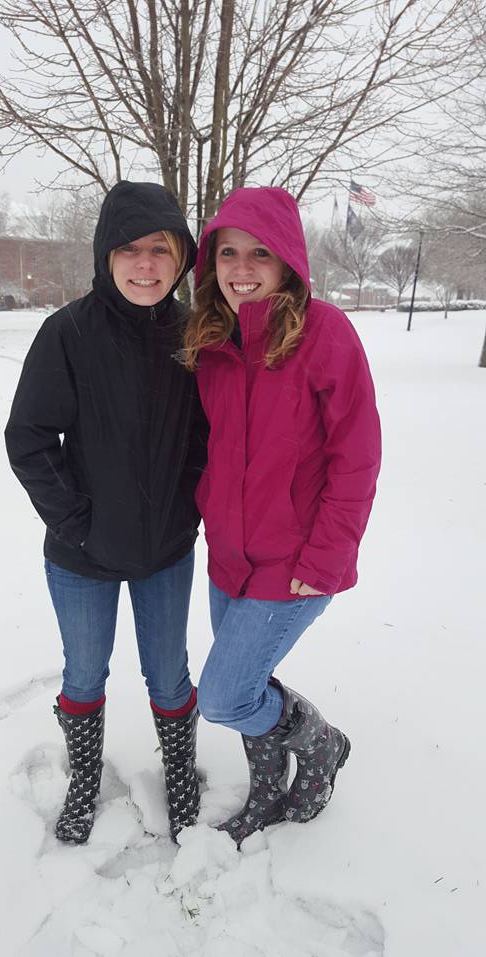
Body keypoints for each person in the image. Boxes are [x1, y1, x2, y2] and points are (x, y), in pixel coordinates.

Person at [5, 181, 207, 844]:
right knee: (85, 672)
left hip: (166, 551)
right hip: (81, 556)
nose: (144, 264)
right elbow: (29, 438)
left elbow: (210, 439)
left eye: (160, 249)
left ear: (180, 258)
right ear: (105, 254)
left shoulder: (193, 337)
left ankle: (181, 776)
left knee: (169, 673)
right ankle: (85, 778)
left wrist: (188, 512)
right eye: (129, 249)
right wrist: (79, 523)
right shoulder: (68, 333)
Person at [182, 186, 381, 846]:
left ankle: (322, 747)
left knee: (224, 696)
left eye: (259, 253)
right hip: (229, 557)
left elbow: (357, 455)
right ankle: (268, 788)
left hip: (296, 564)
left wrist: (326, 558)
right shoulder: (212, 340)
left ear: (288, 260)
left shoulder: (325, 333)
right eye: (228, 253)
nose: (242, 269)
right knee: (246, 686)